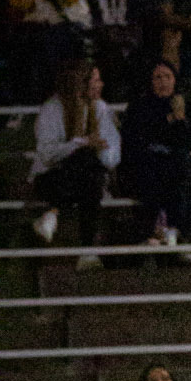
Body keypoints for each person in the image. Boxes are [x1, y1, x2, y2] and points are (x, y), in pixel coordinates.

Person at [29, 55, 119, 275]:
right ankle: (87, 250)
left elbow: (112, 156)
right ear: (81, 84)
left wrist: (94, 147)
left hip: (86, 179)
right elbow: (47, 155)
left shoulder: (99, 108)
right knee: (86, 166)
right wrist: (80, 143)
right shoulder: (52, 109)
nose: (101, 85)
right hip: (52, 177)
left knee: (89, 168)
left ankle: (53, 212)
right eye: (95, 80)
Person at [119, 61, 191, 258]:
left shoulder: (185, 105)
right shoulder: (139, 106)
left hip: (177, 165)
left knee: (183, 171)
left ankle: (176, 233)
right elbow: (139, 138)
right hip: (145, 164)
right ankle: (158, 232)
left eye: (167, 77)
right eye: (158, 77)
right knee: (159, 171)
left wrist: (180, 119)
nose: (163, 82)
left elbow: (188, 141)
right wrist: (169, 120)